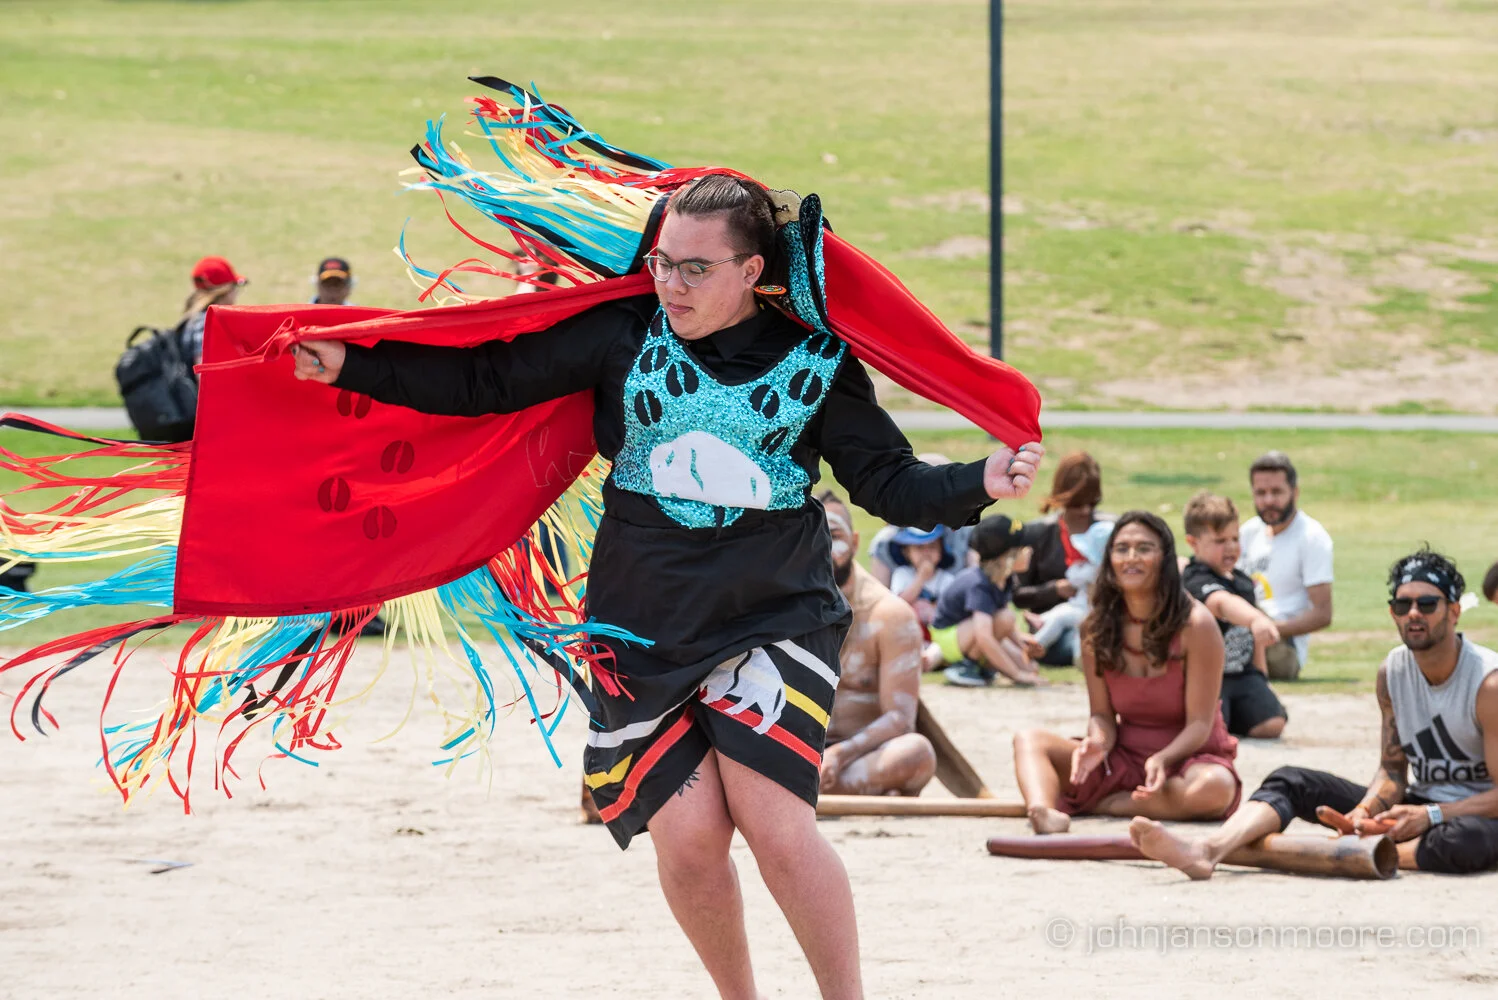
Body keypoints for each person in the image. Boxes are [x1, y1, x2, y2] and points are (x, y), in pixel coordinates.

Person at [290, 173, 1045, 999]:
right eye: (662, 263)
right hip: (640, 618)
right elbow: (487, 380)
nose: (670, 284)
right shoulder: (621, 331)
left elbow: (886, 480)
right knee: (687, 842)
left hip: (771, 613)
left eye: (695, 268)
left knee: (776, 826)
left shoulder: (818, 359)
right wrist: (352, 365)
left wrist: (979, 479)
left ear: (751, 271)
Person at [1133, 547, 1498, 877]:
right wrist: (1365, 811)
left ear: (1454, 611)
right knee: (1291, 780)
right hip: (1419, 809)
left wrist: (1431, 816)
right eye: (1403, 606)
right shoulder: (1393, 672)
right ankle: (1209, 849)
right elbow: (1392, 770)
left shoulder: (1487, 683)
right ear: (1392, 613)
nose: (1414, 614)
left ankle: (1366, 853)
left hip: (1474, 817)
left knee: (1466, 839)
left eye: (1427, 604)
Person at [1012, 511, 1240, 834]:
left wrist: (1162, 759)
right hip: (1123, 758)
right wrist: (1098, 743)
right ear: (1109, 561)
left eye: (1144, 548)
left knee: (1214, 787)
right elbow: (1101, 715)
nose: (1131, 557)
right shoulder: (1095, 627)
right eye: (1122, 549)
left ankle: (1110, 804)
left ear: (1164, 559)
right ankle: (1043, 811)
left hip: (1188, 759)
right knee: (1029, 741)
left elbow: (1200, 725)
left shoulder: (1197, 625)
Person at [819, 491, 936, 796]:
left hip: (858, 757)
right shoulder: (778, 610)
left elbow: (900, 719)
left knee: (916, 753)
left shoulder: (891, 614)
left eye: (834, 536)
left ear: (855, 542)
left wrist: (838, 755)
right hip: (793, 754)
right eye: (812, 538)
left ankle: (803, 792)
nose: (823, 547)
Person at [1181, 491, 1288, 739]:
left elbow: (1253, 640)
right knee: (1210, 730)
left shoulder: (1242, 581)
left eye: (1235, 538)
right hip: (1208, 677)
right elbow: (1221, 603)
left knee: (1272, 724)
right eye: (1220, 541)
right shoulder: (1195, 577)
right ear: (1193, 543)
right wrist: (1256, 619)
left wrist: (1261, 676)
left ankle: (1233, 719)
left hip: (1243, 674)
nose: (1230, 547)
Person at [1237, 451, 1334, 680]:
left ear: (1295, 492)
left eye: (1277, 492)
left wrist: (1266, 627)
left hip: (1282, 645)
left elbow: (1323, 614)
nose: (1268, 501)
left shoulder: (1312, 537)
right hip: (1246, 626)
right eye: (1261, 493)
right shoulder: (1248, 532)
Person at [1010, 451, 1110, 666]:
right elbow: (1017, 595)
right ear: (1062, 496)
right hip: (1051, 627)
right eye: (1077, 503)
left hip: (1099, 620)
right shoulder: (1038, 533)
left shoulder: (1106, 532)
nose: (1085, 510)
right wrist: (1054, 589)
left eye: (1092, 503)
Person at [928, 515, 1045, 687]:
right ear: (1006, 557)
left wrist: (1022, 644)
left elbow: (1001, 628)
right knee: (1006, 618)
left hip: (974, 632)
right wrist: (1017, 675)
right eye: (1023, 547)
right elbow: (985, 635)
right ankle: (967, 666)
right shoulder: (979, 584)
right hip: (950, 638)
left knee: (1031, 668)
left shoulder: (1005, 579)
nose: (1030, 550)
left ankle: (983, 666)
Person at [1027, 518, 1112, 662]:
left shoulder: (1093, 570)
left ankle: (1037, 643)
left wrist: (1077, 566)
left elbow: (1073, 577)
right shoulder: (1102, 569)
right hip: (1078, 606)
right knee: (1059, 612)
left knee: (1059, 619)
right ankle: (1041, 620)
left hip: (1085, 610)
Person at [179, 256, 248, 365]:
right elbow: (203, 369)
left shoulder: (196, 318)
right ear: (224, 291)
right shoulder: (205, 322)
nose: (236, 293)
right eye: (234, 286)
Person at [886, 524, 958, 626]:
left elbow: (950, 609)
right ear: (907, 552)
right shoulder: (902, 574)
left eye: (932, 546)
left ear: (941, 550)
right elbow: (898, 604)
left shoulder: (947, 579)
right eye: (919, 547)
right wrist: (921, 578)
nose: (926, 552)